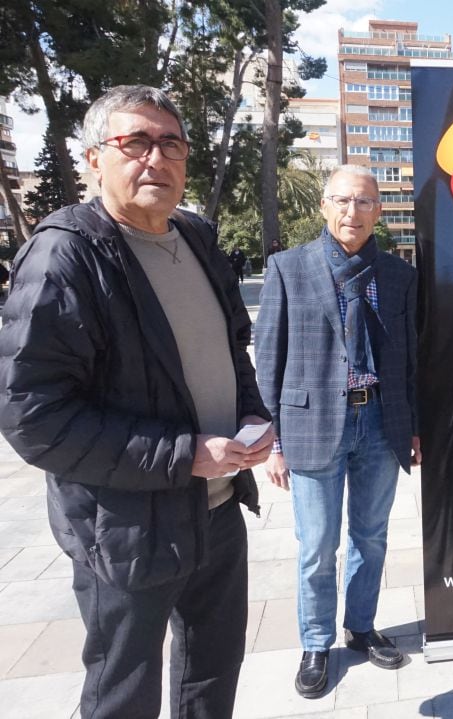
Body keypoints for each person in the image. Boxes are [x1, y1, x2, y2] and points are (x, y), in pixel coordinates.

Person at [0, 85, 275, 719]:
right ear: (94, 159)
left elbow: (233, 346)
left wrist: (252, 413)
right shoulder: (65, 254)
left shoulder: (197, 237)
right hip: (123, 528)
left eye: (171, 143)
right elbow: (32, 417)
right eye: (135, 142)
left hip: (217, 511)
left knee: (212, 676)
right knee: (123, 693)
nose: (156, 158)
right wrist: (183, 454)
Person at [255, 164, 422, 698]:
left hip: (378, 420)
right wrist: (273, 441)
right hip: (310, 426)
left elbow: (409, 359)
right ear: (324, 207)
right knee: (316, 545)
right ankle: (316, 642)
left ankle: (361, 626)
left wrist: (412, 425)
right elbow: (269, 360)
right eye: (343, 201)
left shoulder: (398, 276)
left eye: (365, 202)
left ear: (379, 210)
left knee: (370, 538)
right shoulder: (288, 267)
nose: (353, 212)